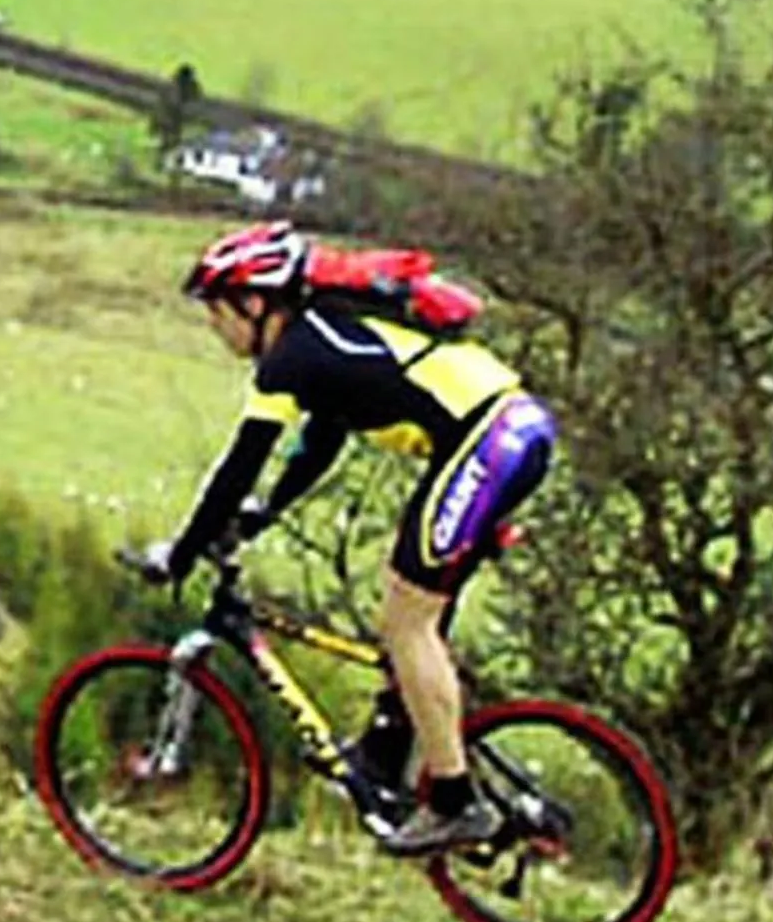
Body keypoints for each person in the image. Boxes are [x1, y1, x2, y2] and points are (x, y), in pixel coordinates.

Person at [140, 221, 557, 856]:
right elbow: (317, 445)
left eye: (216, 312)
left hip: (489, 441)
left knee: (407, 621)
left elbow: (239, 464)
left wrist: (182, 551)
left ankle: (454, 803)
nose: (214, 328)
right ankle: (385, 756)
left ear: (254, 304)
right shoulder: (323, 343)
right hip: (511, 433)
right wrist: (264, 514)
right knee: (410, 614)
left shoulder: (293, 357)